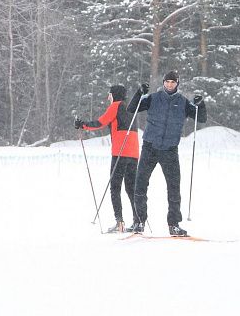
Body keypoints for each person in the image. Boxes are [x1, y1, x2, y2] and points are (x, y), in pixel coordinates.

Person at [127, 70, 206, 236]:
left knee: (174, 188)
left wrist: (201, 104)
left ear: (177, 83)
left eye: (173, 82)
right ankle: (139, 222)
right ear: (163, 83)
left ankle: (174, 224)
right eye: (167, 82)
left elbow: (201, 118)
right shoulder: (153, 98)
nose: (170, 85)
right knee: (140, 184)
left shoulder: (183, 102)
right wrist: (139, 93)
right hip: (150, 147)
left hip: (170, 150)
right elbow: (131, 108)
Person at [75, 85, 139, 233]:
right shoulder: (130, 109)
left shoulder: (115, 106)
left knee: (115, 187)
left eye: (109, 95)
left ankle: (119, 222)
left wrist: (82, 125)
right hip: (134, 153)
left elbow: (100, 123)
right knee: (131, 188)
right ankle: (138, 221)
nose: (108, 98)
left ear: (114, 95)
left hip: (120, 152)